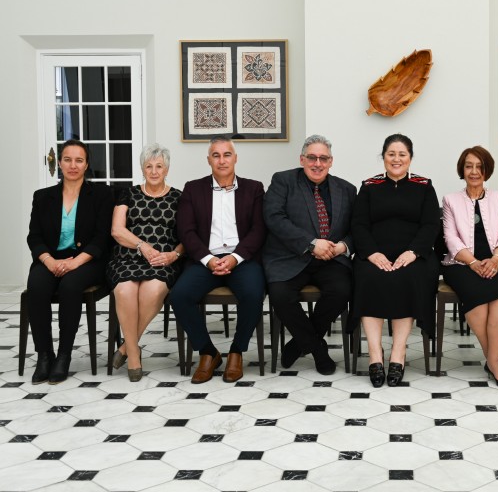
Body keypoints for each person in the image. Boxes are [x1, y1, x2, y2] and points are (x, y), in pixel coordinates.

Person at [171, 135, 266, 384]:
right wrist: (207, 259)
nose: (222, 160)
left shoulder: (254, 188)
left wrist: (235, 258)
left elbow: (258, 229)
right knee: (179, 295)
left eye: (227, 155)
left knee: (254, 293)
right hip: (205, 259)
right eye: (216, 155)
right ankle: (208, 352)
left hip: (241, 259)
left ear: (235, 158)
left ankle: (236, 351)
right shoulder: (193, 188)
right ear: (208, 160)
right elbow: (186, 231)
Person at [351, 134, 440, 387]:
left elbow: (431, 224)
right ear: (383, 157)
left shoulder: (424, 186)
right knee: (368, 276)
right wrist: (371, 253)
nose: (396, 159)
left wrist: (413, 252)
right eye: (391, 154)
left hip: (413, 255)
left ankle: (398, 353)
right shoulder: (369, 186)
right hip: (375, 253)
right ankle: (375, 354)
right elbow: (359, 224)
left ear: (410, 158)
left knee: (409, 277)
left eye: (402, 154)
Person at [263, 135, 356, 375]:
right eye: (312, 158)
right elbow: (273, 217)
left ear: (331, 161)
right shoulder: (283, 181)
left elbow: (357, 228)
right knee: (280, 294)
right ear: (302, 159)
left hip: (331, 259)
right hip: (291, 256)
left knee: (342, 290)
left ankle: (297, 343)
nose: (317, 163)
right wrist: (311, 243)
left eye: (323, 158)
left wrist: (343, 246)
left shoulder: (347, 189)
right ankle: (318, 349)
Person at [26, 139, 113, 384]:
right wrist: (49, 260)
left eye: (79, 160)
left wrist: (75, 263)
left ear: (86, 165)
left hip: (88, 261)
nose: (73, 165)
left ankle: (64, 355)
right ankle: (44, 355)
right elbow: (34, 236)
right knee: (38, 287)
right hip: (50, 259)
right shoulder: (43, 197)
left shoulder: (102, 194)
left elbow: (101, 237)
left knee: (70, 286)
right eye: (67, 159)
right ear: (59, 163)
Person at [441, 146, 498, 389]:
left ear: (487, 170)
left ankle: (493, 360)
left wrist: (495, 259)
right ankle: (496, 362)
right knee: (476, 296)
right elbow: (450, 238)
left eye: (479, 166)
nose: (474, 171)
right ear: (462, 170)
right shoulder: (450, 200)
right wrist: (473, 262)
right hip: (462, 263)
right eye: (469, 166)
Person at [107, 143, 184, 382]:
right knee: (125, 289)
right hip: (127, 257)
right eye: (148, 166)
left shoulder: (179, 197)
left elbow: (187, 237)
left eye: (159, 166)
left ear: (167, 169)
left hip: (163, 260)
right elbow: (117, 230)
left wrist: (173, 255)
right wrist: (142, 246)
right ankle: (133, 355)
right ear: (142, 168)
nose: (153, 171)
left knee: (153, 289)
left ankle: (125, 347)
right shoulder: (128, 193)